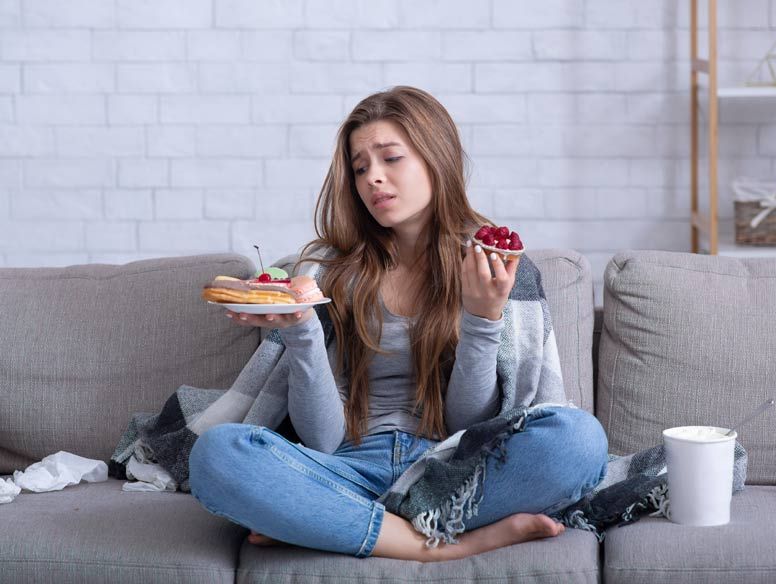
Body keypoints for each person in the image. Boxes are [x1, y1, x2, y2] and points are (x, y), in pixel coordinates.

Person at [188, 86, 608, 562]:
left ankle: (333, 521)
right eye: (361, 167)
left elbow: (469, 426)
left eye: (391, 159)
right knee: (217, 454)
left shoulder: (496, 266)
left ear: (435, 157)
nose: (374, 180)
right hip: (347, 467)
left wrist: (483, 319)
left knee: (579, 440)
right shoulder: (328, 273)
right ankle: (434, 544)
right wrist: (301, 330)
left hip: (453, 471)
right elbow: (324, 439)